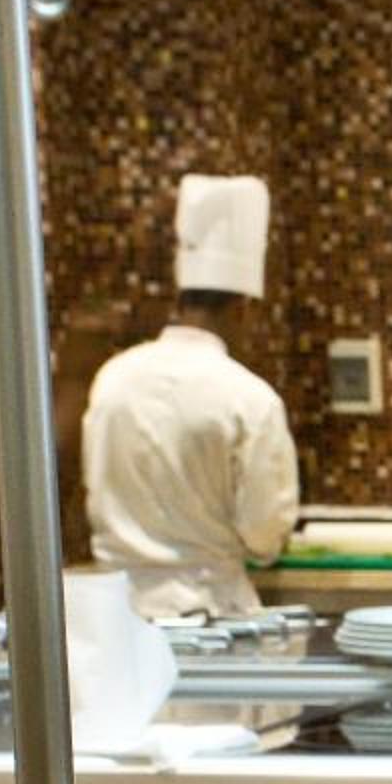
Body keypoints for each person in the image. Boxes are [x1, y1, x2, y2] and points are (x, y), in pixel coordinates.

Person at [83, 174, 298, 618]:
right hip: (211, 615)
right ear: (243, 310)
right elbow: (264, 535)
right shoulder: (249, 398)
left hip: (119, 614)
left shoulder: (113, 378)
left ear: (179, 301)